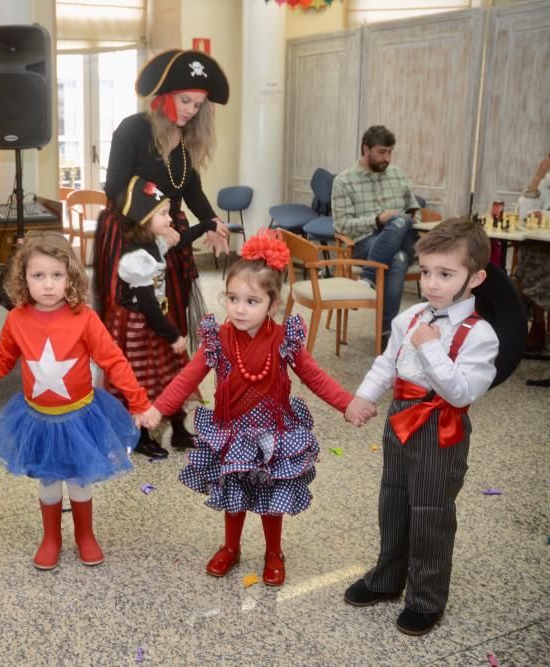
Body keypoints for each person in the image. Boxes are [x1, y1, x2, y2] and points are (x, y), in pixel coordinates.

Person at [140, 230, 353, 587]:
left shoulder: (285, 337)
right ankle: (231, 546)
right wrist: (158, 409)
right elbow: (186, 378)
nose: (239, 308)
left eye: (251, 301)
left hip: (274, 432)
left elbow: (315, 377)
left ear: (273, 305)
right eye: (233, 298)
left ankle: (274, 552)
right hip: (232, 431)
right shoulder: (217, 338)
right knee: (232, 493)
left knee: (272, 496)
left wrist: (347, 404)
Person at [0, 231, 152, 569]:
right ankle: (51, 537)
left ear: (70, 278)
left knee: (79, 480)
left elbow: (113, 360)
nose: (48, 284)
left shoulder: (84, 318)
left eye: (56, 275)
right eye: (38, 276)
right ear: (24, 279)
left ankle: (85, 535)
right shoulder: (17, 319)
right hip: (38, 419)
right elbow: (1, 361)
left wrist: (138, 402)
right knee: (48, 481)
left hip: (79, 417)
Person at [343, 218, 499, 636]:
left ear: (475, 277)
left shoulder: (480, 335)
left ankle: (427, 598)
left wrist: (430, 346)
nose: (431, 283)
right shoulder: (411, 316)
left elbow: (460, 393)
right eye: (426, 271)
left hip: (439, 429)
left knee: (431, 512)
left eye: (446, 274)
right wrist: (364, 396)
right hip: (399, 420)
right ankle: (387, 578)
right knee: (392, 501)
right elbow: (387, 362)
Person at [94, 49, 231, 455]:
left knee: (172, 328)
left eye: (198, 104)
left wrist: (213, 221)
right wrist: (150, 225)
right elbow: (114, 188)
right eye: (185, 100)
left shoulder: (185, 141)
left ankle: (175, 417)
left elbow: (192, 191)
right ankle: (136, 425)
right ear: (164, 95)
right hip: (130, 237)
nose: (190, 110)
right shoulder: (133, 129)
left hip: (168, 239)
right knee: (136, 332)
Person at [108, 176, 217, 459]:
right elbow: (147, 305)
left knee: (173, 375)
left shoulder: (155, 244)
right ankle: (141, 436)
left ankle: (179, 430)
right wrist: (173, 335)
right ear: (144, 219)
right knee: (144, 380)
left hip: (159, 323)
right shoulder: (135, 259)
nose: (170, 219)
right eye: (164, 214)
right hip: (142, 328)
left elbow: (182, 240)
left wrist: (208, 224)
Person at [332, 125, 422, 341]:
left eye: (390, 152)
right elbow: (342, 226)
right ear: (365, 149)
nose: (387, 158)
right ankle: (386, 335)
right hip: (364, 242)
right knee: (397, 259)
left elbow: (413, 210)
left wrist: (404, 218)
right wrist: (377, 220)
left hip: (404, 236)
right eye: (382, 152)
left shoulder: (397, 175)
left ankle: (368, 276)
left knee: (400, 219)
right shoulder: (343, 181)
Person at [516, 151, 550, 352]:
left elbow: (541, 214)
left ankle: (538, 326)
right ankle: (538, 325)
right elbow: (523, 211)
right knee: (529, 253)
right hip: (543, 242)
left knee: (538, 263)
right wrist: (538, 175)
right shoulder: (546, 180)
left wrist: (543, 216)